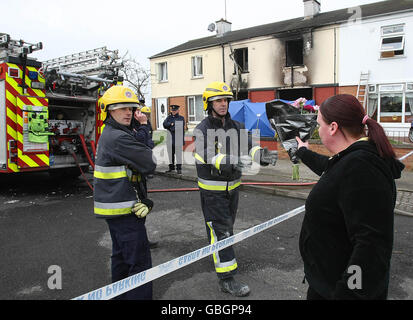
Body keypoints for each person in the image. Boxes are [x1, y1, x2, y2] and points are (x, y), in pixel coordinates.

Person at [295, 94, 404, 300]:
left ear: (333, 127)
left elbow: (371, 247)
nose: (318, 129)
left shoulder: (362, 167)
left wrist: (349, 293)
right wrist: (304, 153)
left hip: (338, 290)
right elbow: (333, 171)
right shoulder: (351, 159)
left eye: (319, 124)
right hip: (326, 282)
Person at [193, 81, 278, 297]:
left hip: (233, 190)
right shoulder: (202, 129)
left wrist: (261, 154)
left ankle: (215, 253)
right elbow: (205, 153)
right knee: (222, 231)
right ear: (208, 103)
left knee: (223, 228)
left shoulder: (237, 126)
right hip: (213, 192)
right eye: (218, 100)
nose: (223, 104)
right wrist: (232, 161)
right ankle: (226, 279)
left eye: (225, 100)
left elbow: (249, 145)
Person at [94, 85, 157, 300]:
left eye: (130, 108)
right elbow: (149, 162)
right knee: (139, 262)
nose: (128, 112)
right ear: (108, 111)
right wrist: (145, 128)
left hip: (117, 206)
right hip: (124, 208)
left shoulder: (115, 133)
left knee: (121, 257)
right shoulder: (118, 138)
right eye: (121, 108)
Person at [163, 104, 185, 174]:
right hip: (170, 140)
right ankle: (171, 168)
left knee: (178, 155)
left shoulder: (181, 118)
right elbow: (164, 124)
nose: (173, 111)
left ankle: (179, 168)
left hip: (177, 140)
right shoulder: (169, 117)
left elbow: (177, 128)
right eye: (172, 110)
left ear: (178, 110)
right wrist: (171, 124)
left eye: (175, 110)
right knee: (170, 155)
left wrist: (170, 126)